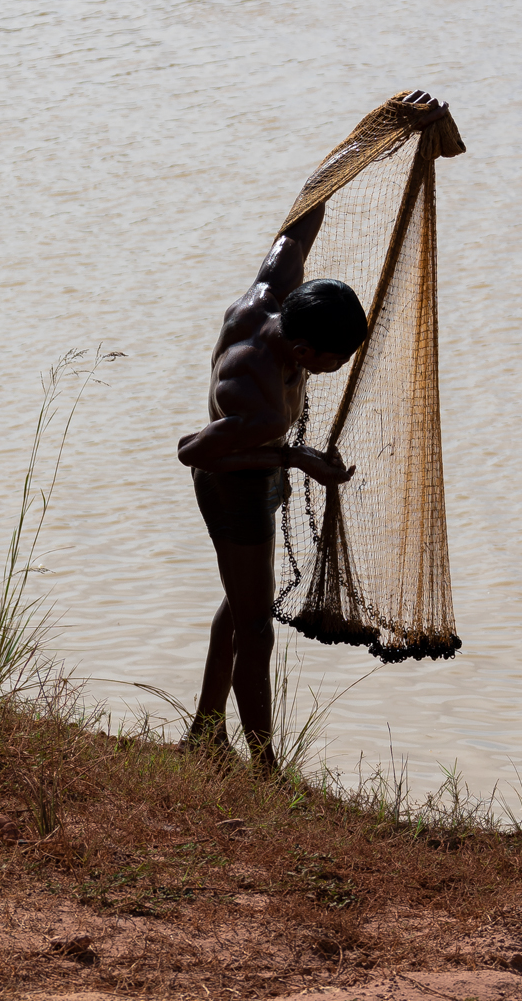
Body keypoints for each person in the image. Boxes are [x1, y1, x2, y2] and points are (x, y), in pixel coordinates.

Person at [176, 90, 450, 769]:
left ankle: (206, 734)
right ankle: (262, 768)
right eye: (336, 361)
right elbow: (192, 452)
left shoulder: (275, 291)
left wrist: (384, 130)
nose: (336, 370)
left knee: (244, 605)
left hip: (262, 466)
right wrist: (291, 457)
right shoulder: (254, 389)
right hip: (233, 488)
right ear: (305, 352)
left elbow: (305, 210)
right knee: (255, 626)